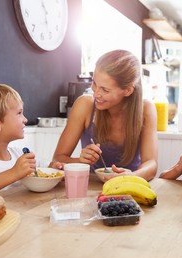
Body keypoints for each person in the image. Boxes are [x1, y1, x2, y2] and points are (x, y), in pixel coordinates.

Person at [53, 50, 158, 181]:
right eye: (94, 83)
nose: (96, 93)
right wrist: (80, 161)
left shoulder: (146, 110)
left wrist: (131, 176)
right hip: (89, 187)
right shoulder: (84, 105)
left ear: (128, 90)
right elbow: (58, 159)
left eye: (105, 90)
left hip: (130, 186)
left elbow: (151, 164)